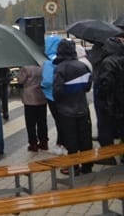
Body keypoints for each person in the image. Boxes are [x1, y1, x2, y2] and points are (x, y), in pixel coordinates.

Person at [53, 39, 93, 176]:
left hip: (66, 110)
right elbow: (87, 87)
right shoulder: (83, 66)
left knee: (71, 140)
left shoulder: (60, 68)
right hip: (82, 107)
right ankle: (87, 165)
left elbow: (57, 91)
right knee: (85, 138)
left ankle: (74, 167)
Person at [94, 37, 124, 151]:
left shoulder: (108, 62)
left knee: (106, 129)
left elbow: (105, 83)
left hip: (110, 102)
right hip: (120, 100)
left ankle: (108, 154)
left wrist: (100, 95)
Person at [41, 35, 66, 155]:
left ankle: (60, 144)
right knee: (64, 119)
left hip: (51, 94)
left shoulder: (49, 61)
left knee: (58, 120)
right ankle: (64, 143)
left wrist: (42, 85)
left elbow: (47, 80)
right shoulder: (63, 59)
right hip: (64, 94)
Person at [17, 65, 48, 151]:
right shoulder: (42, 67)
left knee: (30, 123)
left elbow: (20, 80)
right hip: (41, 95)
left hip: (30, 98)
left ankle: (33, 143)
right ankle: (44, 142)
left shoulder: (25, 68)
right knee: (42, 121)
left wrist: (19, 74)